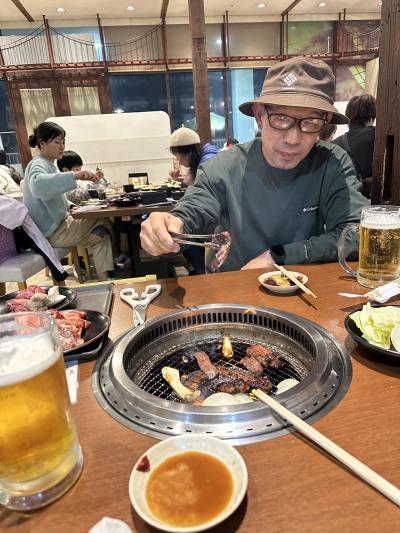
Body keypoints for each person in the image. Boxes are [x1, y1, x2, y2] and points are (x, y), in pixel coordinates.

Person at [140, 57, 368, 273]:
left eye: (311, 121)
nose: (293, 139)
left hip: (303, 287)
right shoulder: (224, 166)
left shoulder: (332, 163)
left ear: (325, 122)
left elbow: (357, 234)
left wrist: (279, 256)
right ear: (259, 116)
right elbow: (195, 207)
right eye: (281, 118)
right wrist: (172, 223)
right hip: (234, 285)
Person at [23, 122, 114, 281]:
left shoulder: (49, 165)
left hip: (60, 227)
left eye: (63, 142)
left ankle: (104, 280)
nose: (61, 147)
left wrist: (71, 206)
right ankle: (116, 264)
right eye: (57, 142)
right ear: (42, 143)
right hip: (52, 232)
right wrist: (75, 175)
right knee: (104, 218)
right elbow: (39, 186)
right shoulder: (38, 164)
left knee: (101, 234)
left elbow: (58, 195)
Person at [168, 126, 221, 275]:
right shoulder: (203, 157)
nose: (177, 159)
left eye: (178, 154)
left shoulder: (208, 161)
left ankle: (200, 273)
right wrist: (184, 181)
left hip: (218, 221)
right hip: (213, 217)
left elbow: (209, 193)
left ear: (189, 151)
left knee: (183, 239)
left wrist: (189, 181)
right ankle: (198, 271)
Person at [333, 94, 376, 198]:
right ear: (372, 115)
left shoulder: (334, 144)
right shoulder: (378, 136)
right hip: (376, 203)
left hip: (346, 202)